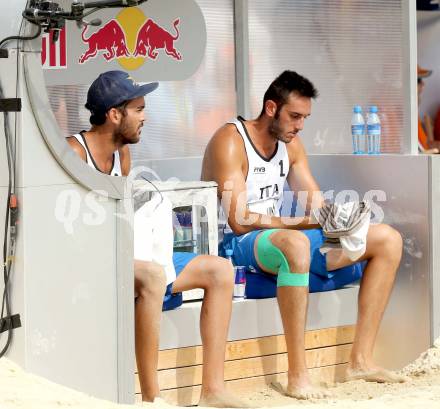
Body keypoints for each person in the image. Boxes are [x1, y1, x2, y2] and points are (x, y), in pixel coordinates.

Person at [201, 70, 408, 399]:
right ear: (271, 108)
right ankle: (298, 375)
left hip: (277, 234)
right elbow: (239, 219)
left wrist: (342, 219)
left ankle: (361, 360)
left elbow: (315, 202)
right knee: (296, 244)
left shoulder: (291, 144)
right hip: (237, 243)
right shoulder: (230, 140)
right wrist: (309, 222)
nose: (299, 126)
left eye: (304, 118)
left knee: (387, 239)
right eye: (294, 117)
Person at [67, 70, 247, 408]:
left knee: (220, 271)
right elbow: (68, 232)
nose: (145, 117)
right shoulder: (74, 154)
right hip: (93, 264)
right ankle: (151, 398)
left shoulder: (122, 154)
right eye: (138, 109)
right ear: (114, 114)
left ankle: (213, 390)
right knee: (151, 274)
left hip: (124, 256)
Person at [417, 64, 440, 154]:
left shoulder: (413, 112)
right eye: (418, 80)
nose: (423, 84)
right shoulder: (404, 113)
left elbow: (426, 146)